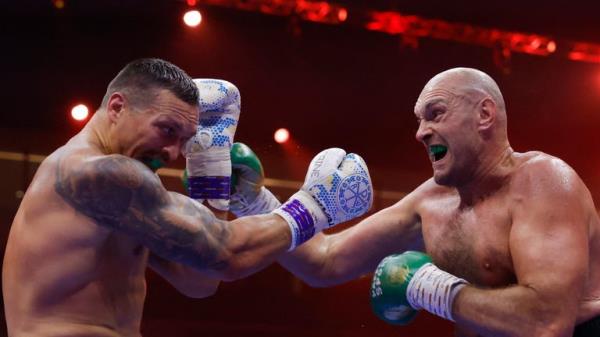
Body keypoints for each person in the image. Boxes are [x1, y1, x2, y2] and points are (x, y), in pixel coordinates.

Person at [2, 58, 374, 337]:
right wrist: (314, 206)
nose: (174, 153)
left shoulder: (120, 197)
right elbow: (228, 254)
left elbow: (201, 280)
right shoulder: (96, 174)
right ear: (117, 107)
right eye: (167, 130)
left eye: (185, 140)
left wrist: (211, 178)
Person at [229, 68, 600, 337]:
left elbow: (548, 322)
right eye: (419, 120)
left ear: (484, 115)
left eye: (436, 113)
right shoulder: (431, 202)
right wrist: (255, 201)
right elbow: (325, 261)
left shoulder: (543, 182)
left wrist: (431, 289)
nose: (421, 132)